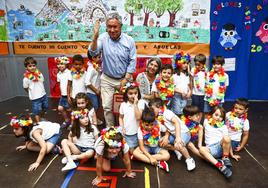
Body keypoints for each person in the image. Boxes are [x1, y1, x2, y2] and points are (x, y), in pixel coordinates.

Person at [88, 12, 137, 127]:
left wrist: (126, 78)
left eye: (115, 26)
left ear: (121, 26)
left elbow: (132, 61)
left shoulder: (129, 40)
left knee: (127, 105)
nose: (112, 30)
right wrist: (95, 37)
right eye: (109, 27)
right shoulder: (102, 38)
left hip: (124, 79)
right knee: (107, 107)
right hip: (107, 79)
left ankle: (126, 128)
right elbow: (93, 52)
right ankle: (110, 130)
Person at [149, 98, 196, 171]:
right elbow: (168, 128)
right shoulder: (159, 116)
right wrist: (166, 137)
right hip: (173, 134)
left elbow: (176, 123)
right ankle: (178, 150)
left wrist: (178, 137)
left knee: (178, 144)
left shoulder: (167, 113)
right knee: (161, 143)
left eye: (152, 109)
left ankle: (189, 159)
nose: (151, 111)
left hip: (184, 133)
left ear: (159, 107)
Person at [133, 106, 170, 172]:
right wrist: (151, 158)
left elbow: (168, 129)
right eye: (147, 125)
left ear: (154, 121)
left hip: (157, 147)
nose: (149, 127)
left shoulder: (158, 124)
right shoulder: (140, 129)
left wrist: (166, 137)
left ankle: (142, 158)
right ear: (142, 122)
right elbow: (141, 147)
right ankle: (159, 163)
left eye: (152, 125)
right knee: (135, 153)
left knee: (167, 156)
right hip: (146, 147)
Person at [199, 106, 233, 178]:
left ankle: (225, 158)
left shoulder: (223, 127)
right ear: (211, 114)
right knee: (201, 149)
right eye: (216, 115)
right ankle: (220, 166)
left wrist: (231, 154)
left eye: (221, 117)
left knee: (227, 138)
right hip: (210, 149)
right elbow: (203, 132)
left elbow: (227, 141)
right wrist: (200, 143)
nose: (218, 118)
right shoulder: (206, 122)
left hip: (220, 147)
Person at [119, 82, 146, 154]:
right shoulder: (123, 105)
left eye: (135, 93)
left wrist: (135, 104)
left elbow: (138, 117)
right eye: (130, 94)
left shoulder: (141, 102)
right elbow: (121, 117)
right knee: (131, 151)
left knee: (140, 150)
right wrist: (122, 127)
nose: (133, 95)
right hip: (128, 133)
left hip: (139, 133)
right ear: (126, 95)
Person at [23, 57, 48, 122]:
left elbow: (42, 82)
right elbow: (25, 87)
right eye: (30, 66)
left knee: (45, 108)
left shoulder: (39, 74)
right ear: (26, 67)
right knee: (37, 111)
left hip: (43, 95)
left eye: (34, 65)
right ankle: (38, 123)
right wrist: (31, 93)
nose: (32, 67)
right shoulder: (26, 78)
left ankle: (41, 118)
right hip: (35, 98)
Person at [170, 51, 192, 116]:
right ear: (178, 63)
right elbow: (171, 87)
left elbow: (189, 86)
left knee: (183, 114)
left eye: (187, 63)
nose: (186, 65)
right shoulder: (174, 74)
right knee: (177, 113)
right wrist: (181, 92)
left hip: (185, 97)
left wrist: (189, 92)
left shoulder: (187, 75)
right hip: (176, 97)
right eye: (184, 63)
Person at [55, 56, 71, 128]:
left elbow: (70, 84)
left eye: (62, 63)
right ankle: (67, 120)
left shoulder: (69, 73)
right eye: (58, 64)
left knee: (70, 110)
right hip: (63, 95)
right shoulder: (58, 74)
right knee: (60, 108)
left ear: (66, 64)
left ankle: (73, 123)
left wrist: (69, 96)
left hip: (69, 95)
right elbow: (59, 83)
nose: (60, 65)